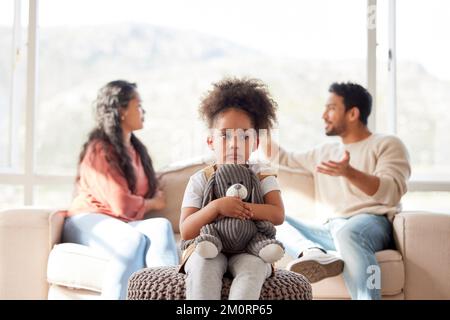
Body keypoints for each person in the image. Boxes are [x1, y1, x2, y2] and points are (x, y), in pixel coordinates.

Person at [266, 82, 411, 300]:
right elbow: (284, 159)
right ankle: (313, 252)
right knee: (272, 218)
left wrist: (349, 172)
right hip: (328, 230)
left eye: (331, 108)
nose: (324, 115)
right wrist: (256, 128)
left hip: (370, 223)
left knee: (349, 233)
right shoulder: (324, 151)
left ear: (353, 113)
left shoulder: (387, 143)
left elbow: (392, 192)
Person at [64, 80, 179, 300]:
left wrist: (149, 202)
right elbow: (122, 204)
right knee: (132, 240)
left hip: (121, 224)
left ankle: (168, 296)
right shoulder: (100, 149)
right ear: (121, 111)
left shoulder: (136, 150)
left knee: (161, 227)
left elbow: (132, 201)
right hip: (88, 218)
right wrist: (153, 203)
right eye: (138, 105)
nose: (142, 111)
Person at [179, 77, 285, 300]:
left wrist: (242, 208)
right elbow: (187, 230)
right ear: (211, 141)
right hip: (208, 249)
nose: (234, 143)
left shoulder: (262, 175)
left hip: (249, 249)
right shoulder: (201, 179)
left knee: (253, 269)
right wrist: (217, 207)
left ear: (255, 143)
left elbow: (277, 214)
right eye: (225, 135)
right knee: (203, 266)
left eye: (244, 136)